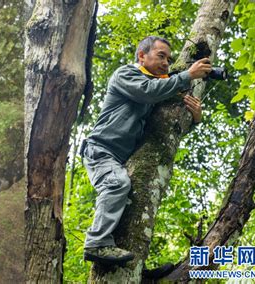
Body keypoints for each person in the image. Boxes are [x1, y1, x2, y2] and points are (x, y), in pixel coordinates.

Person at [81, 36, 211, 266]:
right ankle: (96, 243)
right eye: (161, 56)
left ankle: (135, 264)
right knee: (116, 184)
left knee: (138, 200)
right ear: (142, 55)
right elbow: (148, 91)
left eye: (169, 60)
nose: (166, 63)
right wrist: (187, 75)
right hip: (101, 150)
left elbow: (164, 127)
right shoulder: (126, 75)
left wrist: (196, 119)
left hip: (121, 160)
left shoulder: (155, 91)